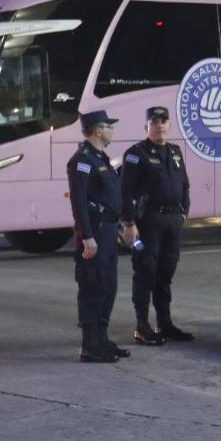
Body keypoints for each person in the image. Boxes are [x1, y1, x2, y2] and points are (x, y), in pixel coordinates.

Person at [120, 106, 193, 345]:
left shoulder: (175, 152)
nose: (159, 125)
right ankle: (142, 326)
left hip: (172, 222)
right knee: (145, 271)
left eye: (163, 121)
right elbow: (125, 191)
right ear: (146, 127)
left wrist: (184, 212)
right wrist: (129, 223)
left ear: (169, 125)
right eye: (154, 122)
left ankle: (165, 323)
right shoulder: (136, 154)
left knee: (166, 272)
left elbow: (184, 185)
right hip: (147, 223)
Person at [67, 110, 128, 364]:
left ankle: (102, 339)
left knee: (108, 286)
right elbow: (79, 203)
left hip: (109, 231)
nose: (112, 131)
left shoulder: (100, 158)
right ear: (97, 130)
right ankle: (90, 345)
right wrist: (87, 237)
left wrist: (120, 224)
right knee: (93, 285)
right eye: (109, 127)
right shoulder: (81, 160)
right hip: (95, 233)